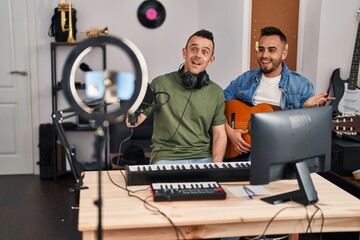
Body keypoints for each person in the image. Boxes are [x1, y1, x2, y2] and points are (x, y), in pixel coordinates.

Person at [224, 26, 334, 160]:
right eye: (261, 49)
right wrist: (230, 132)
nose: (264, 55)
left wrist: (304, 109)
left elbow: (307, 133)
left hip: (279, 154)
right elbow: (217, 106)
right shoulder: (244, 80)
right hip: (240, 152)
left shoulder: (302, 86)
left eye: (272, 50)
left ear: (284, 54)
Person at [126, 29, 227, 165]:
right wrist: (130, 103)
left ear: (211, 60)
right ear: (184, 52)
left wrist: (216, 165)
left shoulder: (217, 93)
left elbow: (220, 134)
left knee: (212, 187)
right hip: (165, 158)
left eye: (205, 52)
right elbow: (133, 122)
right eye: (194, 49)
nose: (198, 55)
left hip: (203, 158)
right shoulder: (160, 84)